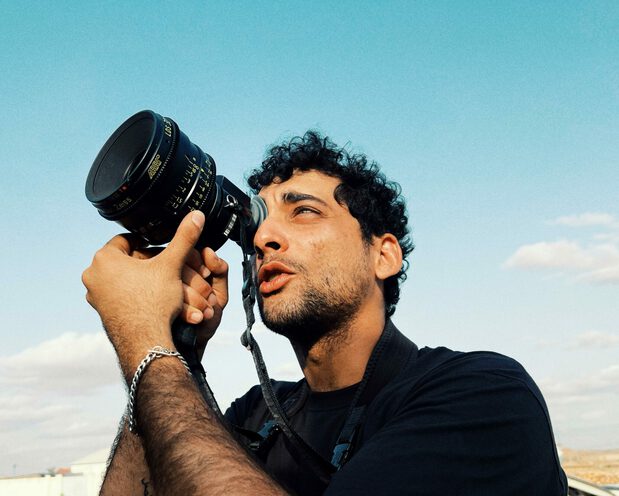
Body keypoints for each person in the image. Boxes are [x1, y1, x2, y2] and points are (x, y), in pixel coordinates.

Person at [82, 131, 567, 495]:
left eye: (304, 211)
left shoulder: (483, 394)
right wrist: (174, 348)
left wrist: (143, 340)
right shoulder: (256, 416)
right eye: (257, 223)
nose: (263, 238)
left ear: (383, 255)